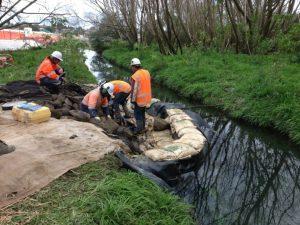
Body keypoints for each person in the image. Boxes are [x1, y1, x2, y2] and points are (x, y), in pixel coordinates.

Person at [130, 58, 152, 134]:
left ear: (134, 66)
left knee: (137, 114)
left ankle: (139, 129)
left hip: (139, 99)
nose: (131, 69)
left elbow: (134, 90)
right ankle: (143, 127)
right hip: (147, 98)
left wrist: (132, 101)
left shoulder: (135, 76)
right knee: (142, 113)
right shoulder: (147, 72)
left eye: (131, 67)